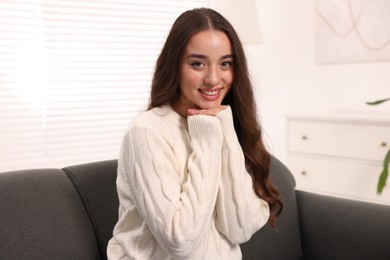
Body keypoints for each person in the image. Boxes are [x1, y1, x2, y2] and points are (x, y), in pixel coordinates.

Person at [107, 7, 282, 260]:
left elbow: (239, 229)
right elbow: (180, 241)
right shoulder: (146, 133)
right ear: (175, 65)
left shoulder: (221, 120)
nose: (213, 78)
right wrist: (209, 140)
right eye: (198, 63)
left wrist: (224, 129)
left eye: (225, 64)